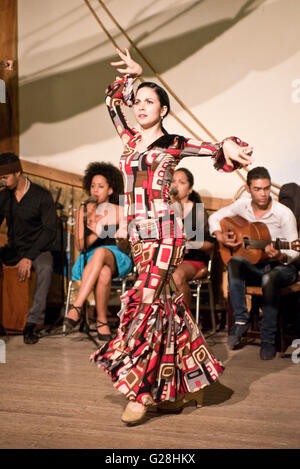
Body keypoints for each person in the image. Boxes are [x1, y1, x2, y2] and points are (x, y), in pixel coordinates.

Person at [90, 47, 253, 425]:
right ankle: (178, 388)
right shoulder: (129, 139)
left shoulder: (173, 143)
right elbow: (111, 101)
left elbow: (214, 149)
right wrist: (131, 77)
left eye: (151, 101)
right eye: (139, 101)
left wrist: (229, 146)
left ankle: (141, 392)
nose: (142, 106)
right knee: (166, 312)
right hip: (139, 235)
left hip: (166, 232)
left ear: (164, 110)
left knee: (145, 304)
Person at [208, 166, 300, 360]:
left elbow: (293, 251)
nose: (263, 194)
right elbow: (215, 217)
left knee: (270, 277)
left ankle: (267, 338)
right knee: (234, 262)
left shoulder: (283, 214)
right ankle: (241, 320)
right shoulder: (242, 206)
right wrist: (221, 237)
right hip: (256, 265)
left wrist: (280, 256)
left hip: (282, 267)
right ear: (248, 189)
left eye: (266, 188)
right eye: (258, 189)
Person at [64, 162, 133, 341]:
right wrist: (96, 233)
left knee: (102, 252)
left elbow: (125, 247)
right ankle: (101, 321)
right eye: (93, 186)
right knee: (103, 271)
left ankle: (77, 305)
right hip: (89, 259)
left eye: (100, 186)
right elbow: (81, 246)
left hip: (117, 256)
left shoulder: (121, 211)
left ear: (110, 190)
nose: (95, 190)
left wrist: (121, 238)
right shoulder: (83, 211)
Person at [0, 152, 57, 344]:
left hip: (38, 249)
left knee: (46, 268)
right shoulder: (4, 197)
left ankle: (32, 323)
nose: (2, 180)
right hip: (14, 249)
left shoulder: (41, 196)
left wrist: (29, 256)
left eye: (5, 177)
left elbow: (50, 232)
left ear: (17, 172)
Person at [170, 167, 214, 307]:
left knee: (176, 275)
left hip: (191, 260)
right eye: (173, 181)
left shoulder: (197, 211)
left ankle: (185, 322)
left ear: (189, 189)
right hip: (168, 259)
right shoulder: (165, 209)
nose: (175, 185)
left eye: (181, 182)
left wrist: (190, 244)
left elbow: (210, 244)